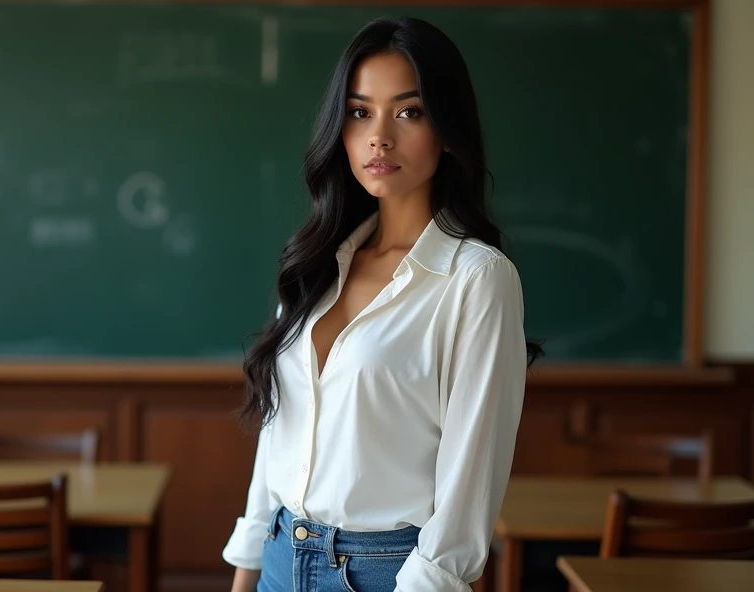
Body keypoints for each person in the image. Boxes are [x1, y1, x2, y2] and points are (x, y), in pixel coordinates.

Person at [222, 16, 541, 592]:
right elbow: (278, 441)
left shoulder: (477, 280)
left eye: (409, 111)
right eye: (360, 111)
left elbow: (469, 493)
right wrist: (247, 572)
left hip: (386, 573)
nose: (379, 137)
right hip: (277, 556)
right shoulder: (314, 264)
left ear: (446, 127)